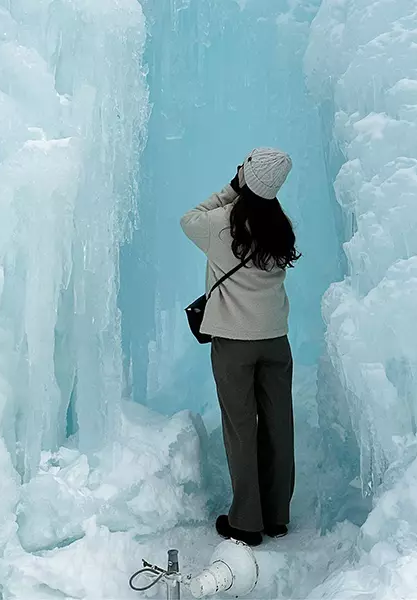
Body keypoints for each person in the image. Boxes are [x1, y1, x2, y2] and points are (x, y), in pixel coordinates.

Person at [180, 147, 300, 547]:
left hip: (234, 343)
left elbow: (189, 219)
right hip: (275, 341)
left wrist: (232, 189)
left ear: (245, 176)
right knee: (279, 426)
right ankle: (278, 515)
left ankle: (247, 521)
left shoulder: (220, 225)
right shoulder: (281, 228)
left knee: (241, 429)